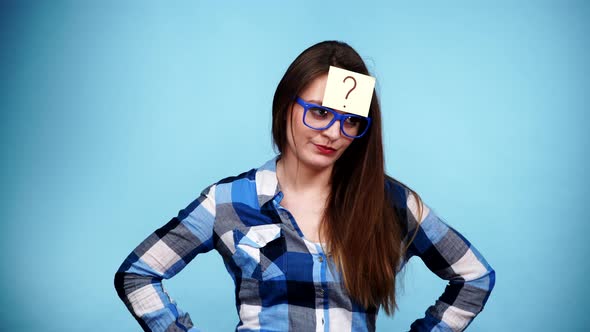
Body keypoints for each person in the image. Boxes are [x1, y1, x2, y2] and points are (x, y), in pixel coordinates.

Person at [114, 40, 495, 332]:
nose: (333, 132)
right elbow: (138, 274)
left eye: (350, 121)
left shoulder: (392, 204)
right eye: (320, 112)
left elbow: (474, 275)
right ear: (287, 106)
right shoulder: (229, 201)